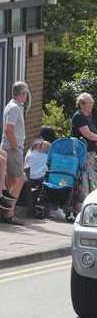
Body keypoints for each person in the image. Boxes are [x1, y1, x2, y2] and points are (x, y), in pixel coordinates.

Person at [1, 82, 29, 225]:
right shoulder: (14, 108)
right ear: (23, 93)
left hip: (12, 148)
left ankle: (6, 209)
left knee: (12, 179)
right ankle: (8, 212)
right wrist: (15, 147)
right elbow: (8, 130)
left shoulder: (12, 106)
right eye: (26, 93)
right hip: (13, 149)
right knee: (19, 179)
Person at [71, 93, 97, 198]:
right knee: (87, 175)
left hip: (91, 152)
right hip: (83, 152)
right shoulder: (79, 117)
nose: (91, 105)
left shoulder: (88, 117)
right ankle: (88, 197)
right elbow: (87, 134)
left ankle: (93, 195)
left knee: (91, 174)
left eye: (92, 103)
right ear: (82, 104)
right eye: (89, 103)